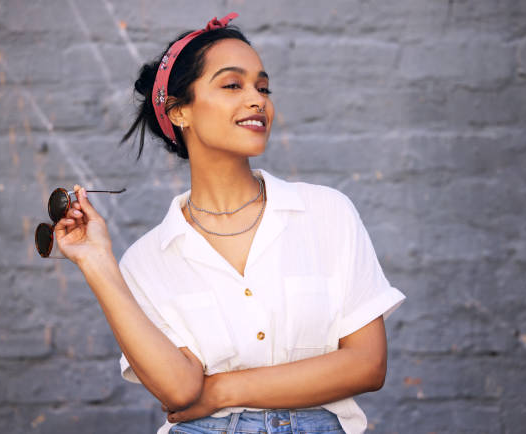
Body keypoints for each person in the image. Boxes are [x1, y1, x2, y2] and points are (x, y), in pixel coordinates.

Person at [53, 13, 405, 434]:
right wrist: (96, 262)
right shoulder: (148, 260)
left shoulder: (327, 213)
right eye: (232, 84)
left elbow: (367, 366)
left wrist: (220, 391)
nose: (258, 99)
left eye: (263, 87)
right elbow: (180, 391)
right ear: (180, 111)